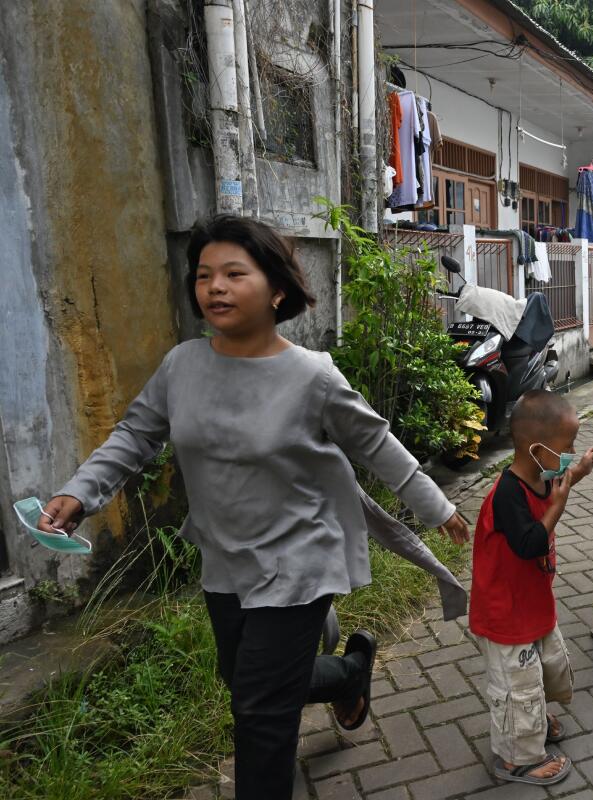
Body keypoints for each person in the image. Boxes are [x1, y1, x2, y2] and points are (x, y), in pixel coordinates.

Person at [37, 215, 470, 799]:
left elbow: (373, 443)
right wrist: (78, 492)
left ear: (278, 289)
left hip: (300, 558)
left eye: (234, 274)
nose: (213, 286)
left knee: (261, 713)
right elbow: (135, 435)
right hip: (226, 556)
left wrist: (439, 508)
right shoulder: (182, 366)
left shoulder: (312, 376)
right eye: (204, 275)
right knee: (242, 680)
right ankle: (348, 674)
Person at [469, 390, 593, 786]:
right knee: (517, 687)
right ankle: (516, 759)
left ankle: (532, 722)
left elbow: (562, 480)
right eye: (566, 447)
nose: (570, 453)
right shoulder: (508, 492)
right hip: (505, 613)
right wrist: (558, 509)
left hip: (532, 605)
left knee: (545, 669)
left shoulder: (542, 474)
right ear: (536, 448)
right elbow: (529, 544)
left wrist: (580, 469)